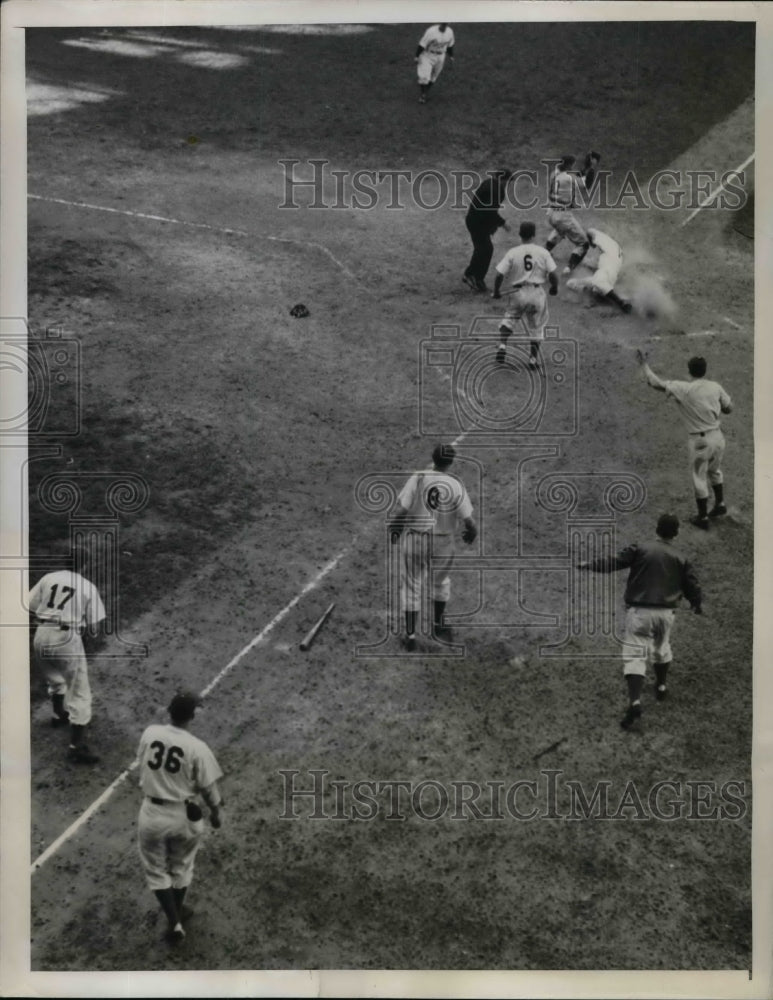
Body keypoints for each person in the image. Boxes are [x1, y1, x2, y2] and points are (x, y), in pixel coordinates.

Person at [577, 514, 702, 730]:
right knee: (662, 649)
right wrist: (696, 603)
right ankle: (661, 686)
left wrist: (589, 564)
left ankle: (635, 702)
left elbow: (614, 561)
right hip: (666, 614)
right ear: (676, 533)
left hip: (640, 612)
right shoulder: (681, 557)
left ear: (656, 529)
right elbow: (692, 585)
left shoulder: (641, 548)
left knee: (635, 656)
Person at [136, 691, 224, 944]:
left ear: (168, 710)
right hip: (185, 815)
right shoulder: (197, 747)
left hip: (151, 813)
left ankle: (174, 922)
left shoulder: (150, 733)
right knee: (182, 865)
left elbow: (141, 763)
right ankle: (177, 912)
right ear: (193, 716)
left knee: (156, 870)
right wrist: (216, 812)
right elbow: (209, 788)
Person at [389, 443, 477, 650]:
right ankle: (438, 626)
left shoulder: (419, 477)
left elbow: (401, 512)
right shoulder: (456, 484)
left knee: (411, 585)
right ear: (451, 462)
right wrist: (472, 533)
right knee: (441, 582)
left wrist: (395, 530)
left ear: (433, 458)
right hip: (443, 543)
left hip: (416, 539)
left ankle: (410, 637)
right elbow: (469, 522)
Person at [636, 351, 733, 529]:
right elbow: (729, 409)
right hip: (718, 437)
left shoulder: (683, 389)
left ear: (689, 371)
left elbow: (655, 383)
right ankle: (720, 504)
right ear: (705, 370)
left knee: (699, 477)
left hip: (700, 443)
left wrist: (644, 365)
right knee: (715, 470)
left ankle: (702, 517)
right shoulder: (715, 386)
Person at [28, 551, 106, 764]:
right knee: (80, 692)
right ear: (85, 565)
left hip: (41, 633)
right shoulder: (87, 586)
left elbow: (30, 606)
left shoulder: (49, 578)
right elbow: (93, 629)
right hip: (66, 637)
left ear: (66, 563)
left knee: (53, 676)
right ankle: (76, 747)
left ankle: (58, 715)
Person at [491, 220, 558, 368]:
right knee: (537, 326)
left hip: (517, 292)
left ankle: (502, 346)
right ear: (533, 235)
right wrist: (554, 287)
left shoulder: (513, 252)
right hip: (536, 293)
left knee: (509, 319)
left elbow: (498, 275)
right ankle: (533, 359)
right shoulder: (543, 252)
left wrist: (496, 292)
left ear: (520, 235)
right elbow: (553, 274)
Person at [462, 169, 513, 293]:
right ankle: (474, 276)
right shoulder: (495, 189)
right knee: (485, 249)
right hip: (477, 223)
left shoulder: (490, 183)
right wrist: (502, 223)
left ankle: (473, 275)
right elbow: (489, 211)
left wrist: (491, 226)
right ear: (502, 179)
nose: (508, 184)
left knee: (483, 248)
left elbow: (488, 211)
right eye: (507, 181)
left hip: (476, 221)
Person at [565, 227, 632, 312]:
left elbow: (590, 231)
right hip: (606, 273)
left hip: (606, 272)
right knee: (570, 283)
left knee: (598, 283)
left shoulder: (603, 240)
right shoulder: (610, 248)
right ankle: (592, 292)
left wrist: (589, 241)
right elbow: (596, 264)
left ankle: (621, 302)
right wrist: (586, 263)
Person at [544, 155, 590, 273]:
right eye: (572, 165)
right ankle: (569, 268)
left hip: (551, 213)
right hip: (563, 216)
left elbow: (575, 176)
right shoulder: (569, 178)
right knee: (583, 244)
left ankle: (545, 253)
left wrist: (584, 169)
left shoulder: (554, 174)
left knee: (560, 231)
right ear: (569, 165)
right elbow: (585, 184)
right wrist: (590, 167)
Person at [415, 23, 455, 103]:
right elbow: (422, 44)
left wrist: (451, 56)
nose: (444, 26)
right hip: (427, 55)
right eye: (443, 24)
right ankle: (423, 95)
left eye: (445, 24)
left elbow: (450, 45)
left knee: (434, 76)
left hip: (440, 56)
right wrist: (416, 56)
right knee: (424, 76)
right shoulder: (431, 31)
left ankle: (426, 92)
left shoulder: (450, 32)